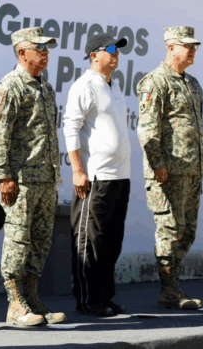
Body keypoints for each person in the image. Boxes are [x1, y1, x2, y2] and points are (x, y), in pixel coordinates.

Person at [0, 27, 67, 327]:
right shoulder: (10, 86)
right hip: (20, 180)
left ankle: (32, 298)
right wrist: (4, 177)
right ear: (22, 53)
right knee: (18, 241)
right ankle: (14, 304)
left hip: (45, 178)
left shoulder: (44, 87)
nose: (46, 54)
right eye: (40, 48)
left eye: (47, 49)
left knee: (40, 241)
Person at [137, 26, 203, 310]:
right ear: (170, 47)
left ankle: (174, 284)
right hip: (167, 171)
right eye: (186, 45)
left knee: (187, 231)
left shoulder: (192, 83)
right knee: (169, 229)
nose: (192, 50)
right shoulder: (155, 82)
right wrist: (157, 163)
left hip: (191, 169)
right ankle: (169, 290)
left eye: (194, 46)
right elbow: (148, 129)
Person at [64, 33, 131, 317]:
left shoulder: (112, 86)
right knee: (90, 241)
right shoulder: (84, 85)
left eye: (119, 49)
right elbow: (70, 128)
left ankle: (105, 296)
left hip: (120, 176)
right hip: (96, 177)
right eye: (111, 49)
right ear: (94, 54)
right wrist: (78, 170)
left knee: (111, 243)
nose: (117, 54)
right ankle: (87, 300)